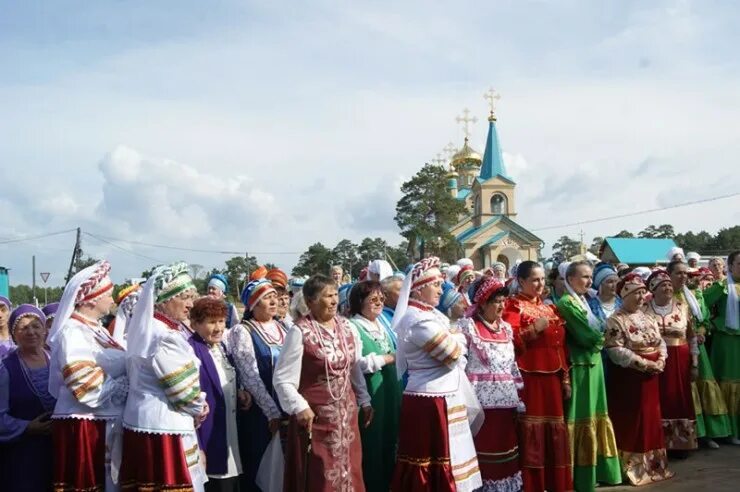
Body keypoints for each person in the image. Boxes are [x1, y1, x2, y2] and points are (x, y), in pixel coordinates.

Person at [274, 274, 373, 492]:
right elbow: (282, 378)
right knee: (321, 475)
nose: (334, 301)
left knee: (350, 469)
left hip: (347, 418)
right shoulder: (300, 331)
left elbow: (354, 366)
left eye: (335, 295)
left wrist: (364, 400)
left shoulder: (347, 327)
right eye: (327, 296)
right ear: (310, 301)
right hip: (315, 420)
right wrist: (300, 407)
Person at [390, 257, 481, 492]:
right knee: (431, 460)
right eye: (436, 285)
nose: (442, 290)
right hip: (430, 400)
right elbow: (452, 353)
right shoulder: (416, 319)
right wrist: (458, 337)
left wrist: (455, 336)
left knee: (449, 454)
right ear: (419, 290)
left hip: (443, 395)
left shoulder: (430, 315)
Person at [120, 262, 209, 491]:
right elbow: (183, 392)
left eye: (192, 296)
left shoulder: (150, 328)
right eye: (185, 297)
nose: (191, 304)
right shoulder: (163, 335)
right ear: (165, 299)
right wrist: (200, 406)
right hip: (164, 428)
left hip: (144, 422)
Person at [47, 260, 128, 492]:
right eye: (109, 294)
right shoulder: (72, 332)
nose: (112, 300)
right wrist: (125, 385)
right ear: (93, 298)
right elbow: (84, 386)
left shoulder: (98, 329)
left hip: (103, 422)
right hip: (86, 425)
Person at [502, 261, 572, 492]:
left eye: (542, 279)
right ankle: (534, 486)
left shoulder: (550, 308)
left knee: (554, 433)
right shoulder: (513, 307)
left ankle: (556, 484)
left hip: (552, 380)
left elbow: (561, 346)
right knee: (532, 433)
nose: (540, 284)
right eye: (534, 279)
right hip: (529, 380)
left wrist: (565, 379)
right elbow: (508, 342)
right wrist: (534, 330)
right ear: (521, 281)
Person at [557, 261, 621, 491]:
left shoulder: (584, 301)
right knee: (581, 417)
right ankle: (580, 475)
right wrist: (605, 339)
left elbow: (597, 331)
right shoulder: (566, 303)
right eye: (584, 277)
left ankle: (601, 469)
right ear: (570, 279)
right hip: (581, 366)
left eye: (590, 276)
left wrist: (602, 337)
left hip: (594, 365)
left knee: (598, 415)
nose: (588, 281)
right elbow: (586, 336)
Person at [604, 273, 673, 486]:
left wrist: (661, 359)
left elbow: (660, 341)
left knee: (652, 418)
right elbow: (614, 349)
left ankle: (654, 466)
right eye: (637, 293)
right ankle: (632, 468)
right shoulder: (616, 319)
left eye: (643, 292)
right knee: (633, 420)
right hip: (630, 380)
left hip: (651, 379)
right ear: (625, 296)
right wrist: (643, 364)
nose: (642, 297)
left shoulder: (647, 317)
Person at [460, 277, 524, 492]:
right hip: (480, 405)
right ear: (483, 302)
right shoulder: (468, 327)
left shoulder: (506, 328)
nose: (501, 306)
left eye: (504, 300)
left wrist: (518, 393)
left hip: (506, 402)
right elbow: (460, 364)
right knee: (485, 448)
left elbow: (512, 364)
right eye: (496, 301)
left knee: (505, 446)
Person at [228, 279, 285, 491]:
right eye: (266, 298)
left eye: (274, 297)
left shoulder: (283, 327)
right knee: (260, 464)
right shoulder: (243, 331)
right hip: (261, 413)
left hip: (286, 408)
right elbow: (249, 374)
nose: (273, 301)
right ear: (253, 304)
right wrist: (271, 412)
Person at [669, 260, 730, 448]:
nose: (683, 276)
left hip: (699, 348)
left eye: (685, 273)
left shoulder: (694, 294)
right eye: (678, 273)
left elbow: (703, 319)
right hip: (679, 349)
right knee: (689, 389)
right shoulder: (666, 295)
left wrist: (702, 331)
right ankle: (697, 433)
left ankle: (714, 432)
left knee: (706, 387)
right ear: (669, 274)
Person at [348, 280, 402, 492]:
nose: (379, 302)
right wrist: (387, 358)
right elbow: (355, 363)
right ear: (359, 302)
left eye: (381, 298)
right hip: (371, 392)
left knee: (391, 441)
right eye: (373, 299)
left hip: (391, 391)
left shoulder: (383, 324)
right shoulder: (353, 326)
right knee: (373, 445)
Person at [0, 304, 56, 491]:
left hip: (58, 449)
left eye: (36, 326)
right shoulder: (6, 369)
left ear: (44, 330)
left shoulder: (56, 361)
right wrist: (27, 427)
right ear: (13, 334)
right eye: (23, 327)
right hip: (23, 455)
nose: (31, 332)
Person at [189, 297, 242, 492]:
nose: (219, 327)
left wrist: (240, 392)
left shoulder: (221, 347)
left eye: (221, 321)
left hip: (230, 429)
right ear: (195, 324)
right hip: (209, 434)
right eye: (211, 322)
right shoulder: (192, 351)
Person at [643, 270, 699, 454]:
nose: (667, 288)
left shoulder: (682, 307)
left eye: (669, 284)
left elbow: (691, 337)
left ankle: (682, 444)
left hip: (680, 360)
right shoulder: (644, 309)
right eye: (663, 285)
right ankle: (660, 443)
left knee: (680, 398)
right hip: (656, 359)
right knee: (659, 398)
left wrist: (695, 362)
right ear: (653, 289)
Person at [703, 251, 740, 444]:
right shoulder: (723, 286)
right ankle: (725, 430)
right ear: (730, 266)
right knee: (727, 384)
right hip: (726, 341)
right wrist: (714, 322)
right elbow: (702, 304)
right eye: (739, 264)